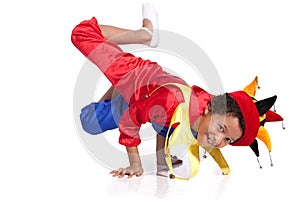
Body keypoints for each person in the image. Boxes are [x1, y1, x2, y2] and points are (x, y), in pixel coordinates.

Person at [71, 3, 277, 178]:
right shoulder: (173, 103)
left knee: (94, 123)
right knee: (81, 34)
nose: (218, 140)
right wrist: (135, 164)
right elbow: (129, 120)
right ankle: (144, 35)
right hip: (136, 75)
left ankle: (121, 89)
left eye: (228, 140)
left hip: (153, 92)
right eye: (222, 129)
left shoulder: (204, 121)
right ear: (209, 109)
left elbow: (169, 124)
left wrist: (163, 162)